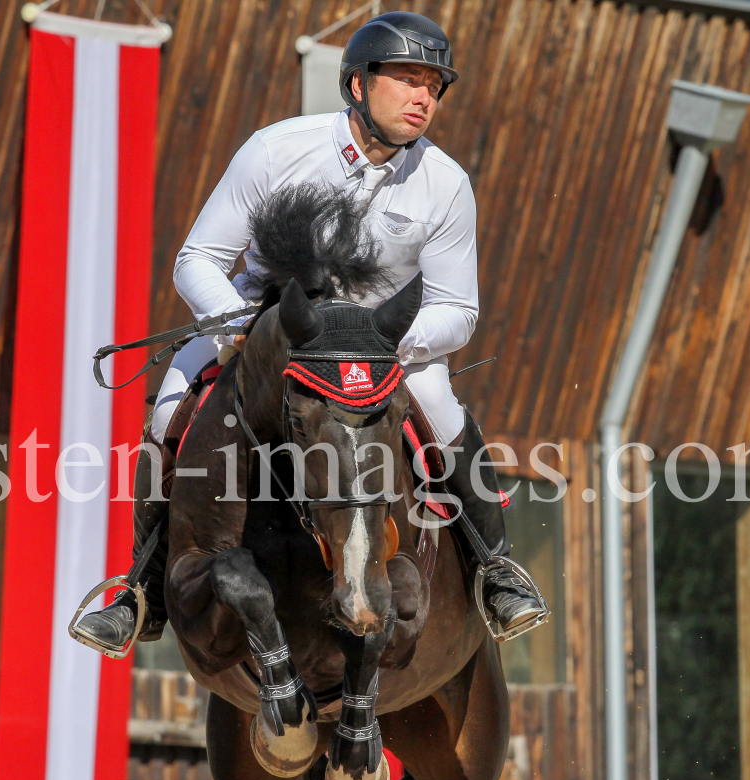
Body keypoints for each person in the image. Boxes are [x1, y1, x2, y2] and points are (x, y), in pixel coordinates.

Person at [75, 11, 544, 654]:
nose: (423, 98)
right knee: (166, 414)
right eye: (407, 79)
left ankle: (496, 569)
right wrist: (245, 329)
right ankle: (144, 587)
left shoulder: (446, 183)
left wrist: (389, 349)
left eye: (434, 85)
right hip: (269, 327)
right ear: (356, 84)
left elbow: (458, 309)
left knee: (441, 406)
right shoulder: (275, 150)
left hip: (378, 345)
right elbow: (198, 261)